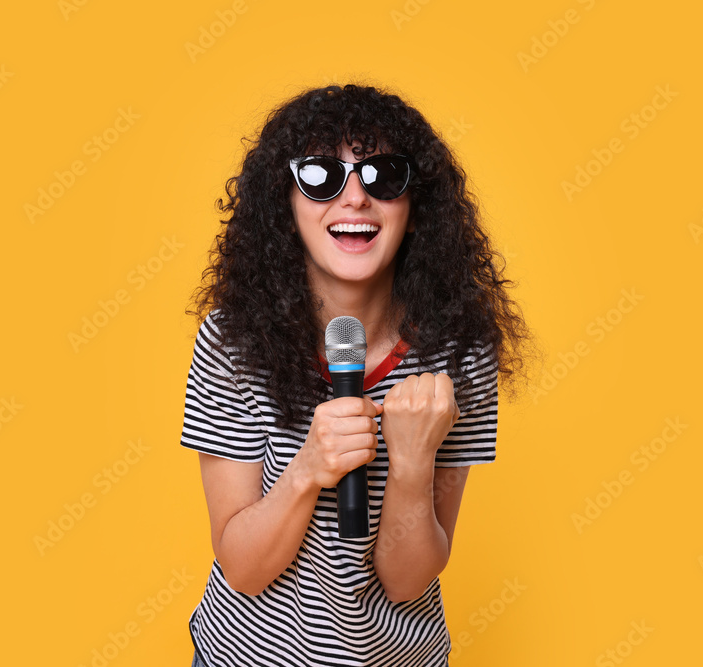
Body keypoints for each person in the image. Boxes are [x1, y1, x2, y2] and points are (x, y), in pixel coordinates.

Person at [181, 83, 530, 667]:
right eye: (320, 175)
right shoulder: (234, 340)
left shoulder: (460, 352)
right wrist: (307, 471)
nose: (355, 199)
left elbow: (405, 581)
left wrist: (413, 461)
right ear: (285, 206)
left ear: (416, 210)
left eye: (384, 176)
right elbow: (242, 567)